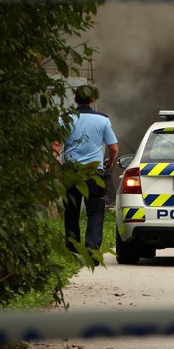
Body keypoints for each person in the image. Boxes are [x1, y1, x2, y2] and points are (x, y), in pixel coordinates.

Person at [52, 84, 119, 253]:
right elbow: (114, 148)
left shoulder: (65, 119)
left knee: (71, 211)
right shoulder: (103, 120)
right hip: (93, 173)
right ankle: (92, 248)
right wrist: (109, 163)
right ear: (92, 99)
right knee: (95, 212)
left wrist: (49, 166)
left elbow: (56, 145)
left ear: (75, 99)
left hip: (71, 172)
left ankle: (73, 249)